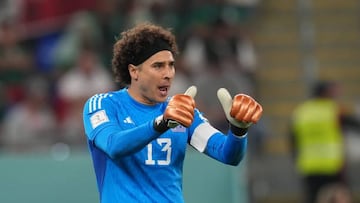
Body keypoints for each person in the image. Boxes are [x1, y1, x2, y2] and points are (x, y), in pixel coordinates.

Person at [82, 22, 263, 203]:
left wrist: (238, 130)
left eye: (171, 65)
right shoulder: (103, 105)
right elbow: (114, 145)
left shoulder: (181, 112)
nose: (168, 74)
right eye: (158, 66)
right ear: (134, 71)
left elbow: (228, 154)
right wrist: (162, 123)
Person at [289, 80, 360, 203]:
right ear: (325, 93)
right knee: (341, 198)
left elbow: (293, 140)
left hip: (309, 166)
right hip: (332, 165)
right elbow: (355, 125)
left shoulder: (301, 112)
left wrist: (297, 159)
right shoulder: (333, 110)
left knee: (312, 198)